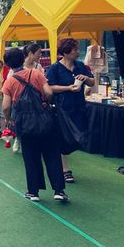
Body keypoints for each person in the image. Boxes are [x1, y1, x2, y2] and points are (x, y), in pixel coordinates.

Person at [1, 49, 68, 202]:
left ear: (7, 64)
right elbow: (49, 92)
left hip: (24, 123)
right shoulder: (36, 74)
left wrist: (8, 119)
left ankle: (34, 191)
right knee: (52, 155)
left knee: (31, 157)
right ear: (23, 58)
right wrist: (44, 102)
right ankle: (59, 190)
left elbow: (6, 106)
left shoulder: (9, 81)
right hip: (45, 120)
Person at [46, 38, 95, 184]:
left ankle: (60, 161)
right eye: (75, 49)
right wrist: (68, 88)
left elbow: (92, 82)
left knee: (79, 136)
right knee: (63, 137)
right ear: (66, 52)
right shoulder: (54, 68)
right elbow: (50, 87)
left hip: (79, 107)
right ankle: (65, 169)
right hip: (62, 109)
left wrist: (86, 78)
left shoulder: (80, 66)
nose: (77, 52)